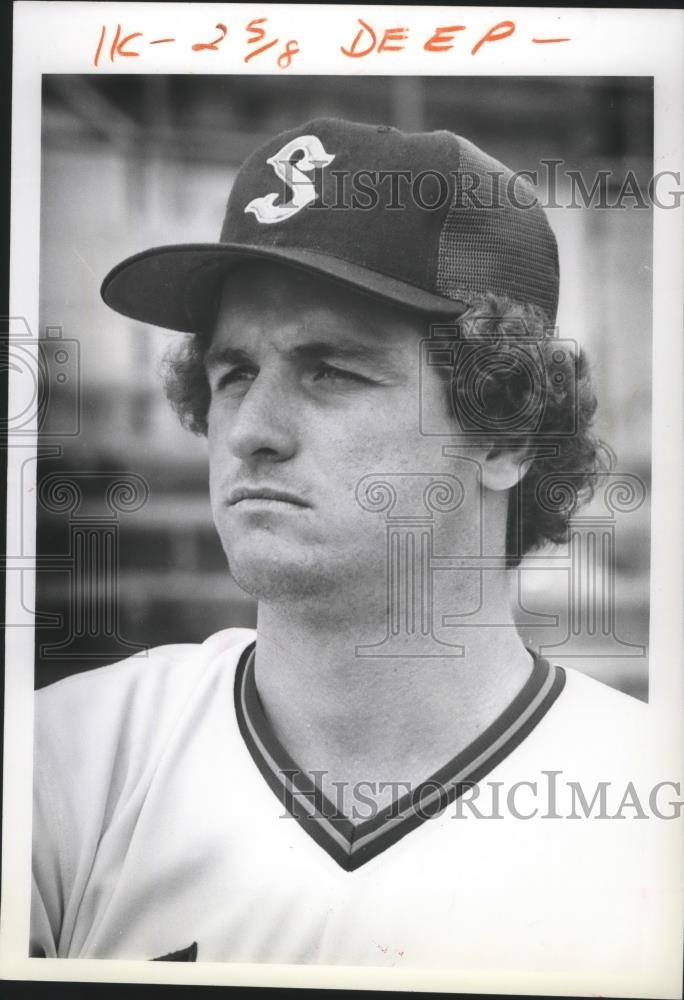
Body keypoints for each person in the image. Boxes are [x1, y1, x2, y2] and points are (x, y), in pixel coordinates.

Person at [30, 118, 659, 976]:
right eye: (233, 371)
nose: (250, 430)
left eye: (332, 370)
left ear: (508, 431)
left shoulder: (652, 817)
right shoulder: (63, 762)